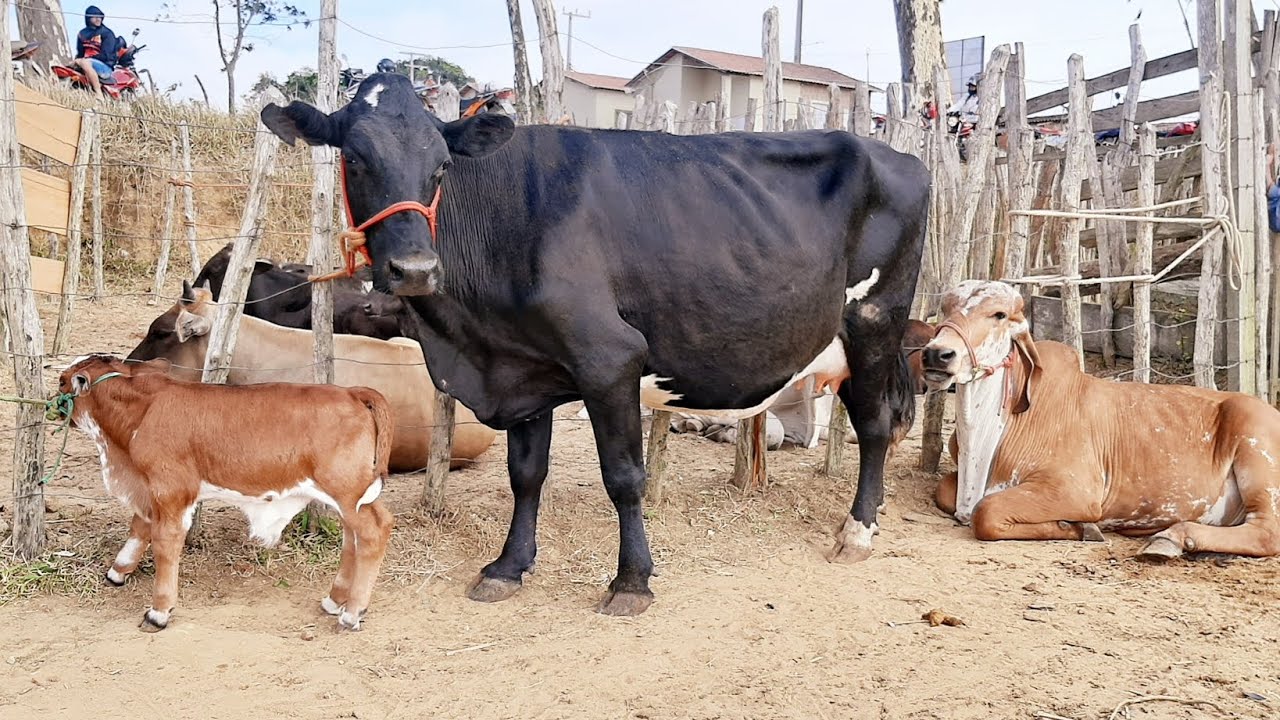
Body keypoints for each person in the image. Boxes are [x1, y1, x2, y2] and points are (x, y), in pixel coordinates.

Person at [72, 6, 122, 96]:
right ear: (88, 18)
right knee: (69, 66)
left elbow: (107, 55)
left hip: (104, 67)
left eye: (100, 17)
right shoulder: (82, 34)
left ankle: (99, 94)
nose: (98, 19)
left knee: (84, 63)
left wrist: (85, 59)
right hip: (86, 62)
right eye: (95, 17)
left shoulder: (107, 33)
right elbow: (80, 52)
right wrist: (76, 61)